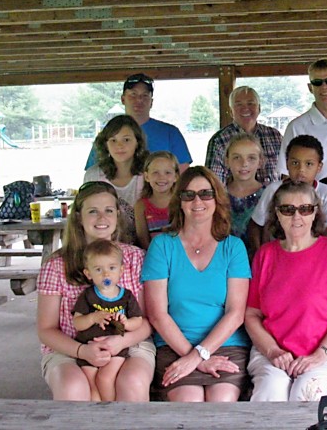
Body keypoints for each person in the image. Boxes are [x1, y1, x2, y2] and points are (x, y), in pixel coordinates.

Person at [36, 181, 155, 401]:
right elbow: (46, 329)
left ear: (117, 215)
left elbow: (147, 321)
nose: (102, 218)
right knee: (73, 388)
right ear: (79, 217)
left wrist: (121, 342)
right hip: (70, 347)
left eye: (109, 210)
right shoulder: (56, 264)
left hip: (129, 342)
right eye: (93, 211)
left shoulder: (136, 258)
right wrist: (82, 352)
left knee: (132, 382)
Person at [142, 166, 251, 402]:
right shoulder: (162, 246)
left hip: (225, 345)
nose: (197, 201)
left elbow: (236, 313)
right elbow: (158, 315)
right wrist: (191, 355)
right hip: (175, 346)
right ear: (179, 201)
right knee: (189, 404)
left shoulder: (233, 247)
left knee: (221, 403)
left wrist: (199, 355)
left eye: (205, 193)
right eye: (188, 195)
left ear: (217, 199)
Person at [245, 181, 327, 401]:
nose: (296, 216)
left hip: (326, 351)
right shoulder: (265, 255)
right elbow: (252, 314)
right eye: (287, 209)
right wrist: (272, 351)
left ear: (315, 212)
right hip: (273, 350)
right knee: (272, 391)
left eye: (305, 209)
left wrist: (321, 354)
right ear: (276, 214)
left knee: (308, 392)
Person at [73, 239, 144, 401]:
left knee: (105, 378)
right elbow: (77, 323)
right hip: (90, 348)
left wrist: (127, 323)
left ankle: (111, 413)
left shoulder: (126, 296)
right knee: (90, 383)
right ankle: (98, 419)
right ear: (88, 274)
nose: (106, 274)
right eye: (98, 269)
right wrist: (92, 317)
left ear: (121, 270)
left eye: (111, 268)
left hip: (116, 350)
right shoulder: (88, 296)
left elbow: (138, 320)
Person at [249, 135, 327, 252]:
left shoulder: (326, 193)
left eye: (309, 164)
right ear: (286, 164)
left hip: (313, 255)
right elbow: (256, 225)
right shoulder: (273, 190)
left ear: (319, 167)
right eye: (295, 163)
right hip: (276, 254)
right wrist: (260, 254)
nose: (301, 169)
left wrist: (320, 255)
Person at [84, 73, 192, 173]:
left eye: (145, 96)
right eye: (133, 95)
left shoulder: (171, 133)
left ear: (151, 102)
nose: (139, 100)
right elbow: (93, 173)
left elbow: (183, 175)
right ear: (122, 99)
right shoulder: (109, 133)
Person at [83, 115, 147, 244]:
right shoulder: (93, 175)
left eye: (126, 140)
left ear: (137, 143)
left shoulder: (149, 174)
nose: (119, 146)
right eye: (113, 140)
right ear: (105, 144)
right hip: (103, 247)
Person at [205, 86, 283, 186]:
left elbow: (286, 174)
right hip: (234, 201)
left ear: (259, 108)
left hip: (274, 200)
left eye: (250, 103)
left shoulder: (275, 136)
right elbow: (214, 184)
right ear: (231, 111)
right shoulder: (219, 140)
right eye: (238, 104)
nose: (245, 108)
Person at [224, 132, 265, 248]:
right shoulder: (218, 196)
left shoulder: (268, 195)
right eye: (237, 157)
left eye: (251, 158)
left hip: (259, 261)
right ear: (227, 161)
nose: (244, 164)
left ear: (260, 162)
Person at [134, 151, 180, 249]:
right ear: (146, 176)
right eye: (155, 172)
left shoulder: (182, 202)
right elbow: (143, 238)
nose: (161, 177)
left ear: (176, 177)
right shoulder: (141, 206)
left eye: (167, 172)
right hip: (154, 255)